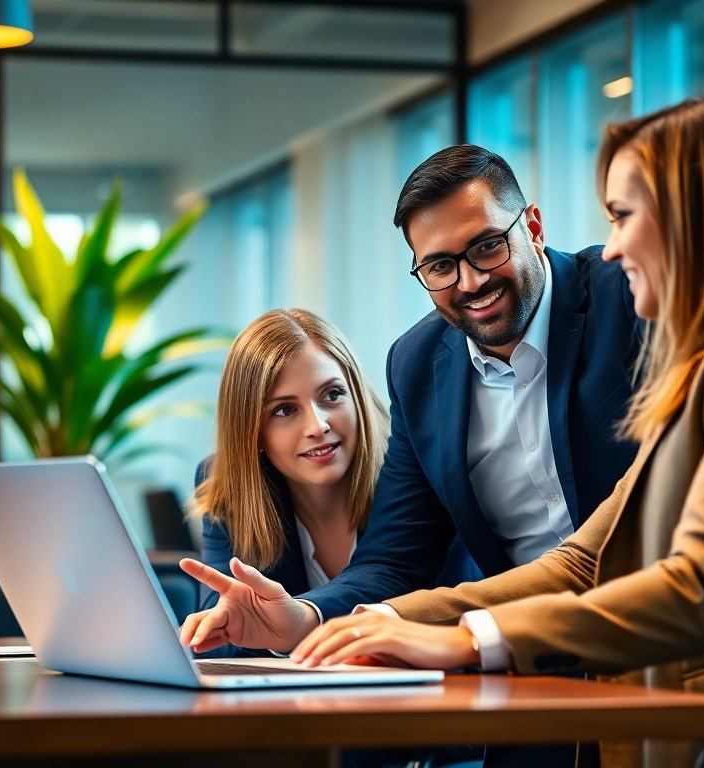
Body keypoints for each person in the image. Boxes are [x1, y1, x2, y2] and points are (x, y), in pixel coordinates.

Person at [287, 96, 704, 768]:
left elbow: (701, 588)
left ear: (694, 214)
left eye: (623, 216)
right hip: (662, 723)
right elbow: (588, 559)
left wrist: (471, 640)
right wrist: (399, 620)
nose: (610, 245)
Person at [179, 145, 643, 658]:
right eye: (440, 266)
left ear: (532, 228)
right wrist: (306, 617)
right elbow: (398, 557)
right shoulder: (418, 363)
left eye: (488, 246)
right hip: (521, 658)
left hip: (646, 627)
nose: (470, 282)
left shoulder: (627, 294)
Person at [189, 308, 396, 658]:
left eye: (332, 395)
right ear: (252, 431)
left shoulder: (411, 471)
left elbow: (442, 605)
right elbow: (218, 638)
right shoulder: (230, 488)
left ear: (357, 395)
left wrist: (298, 624)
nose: (317, 426)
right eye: (284, 410)